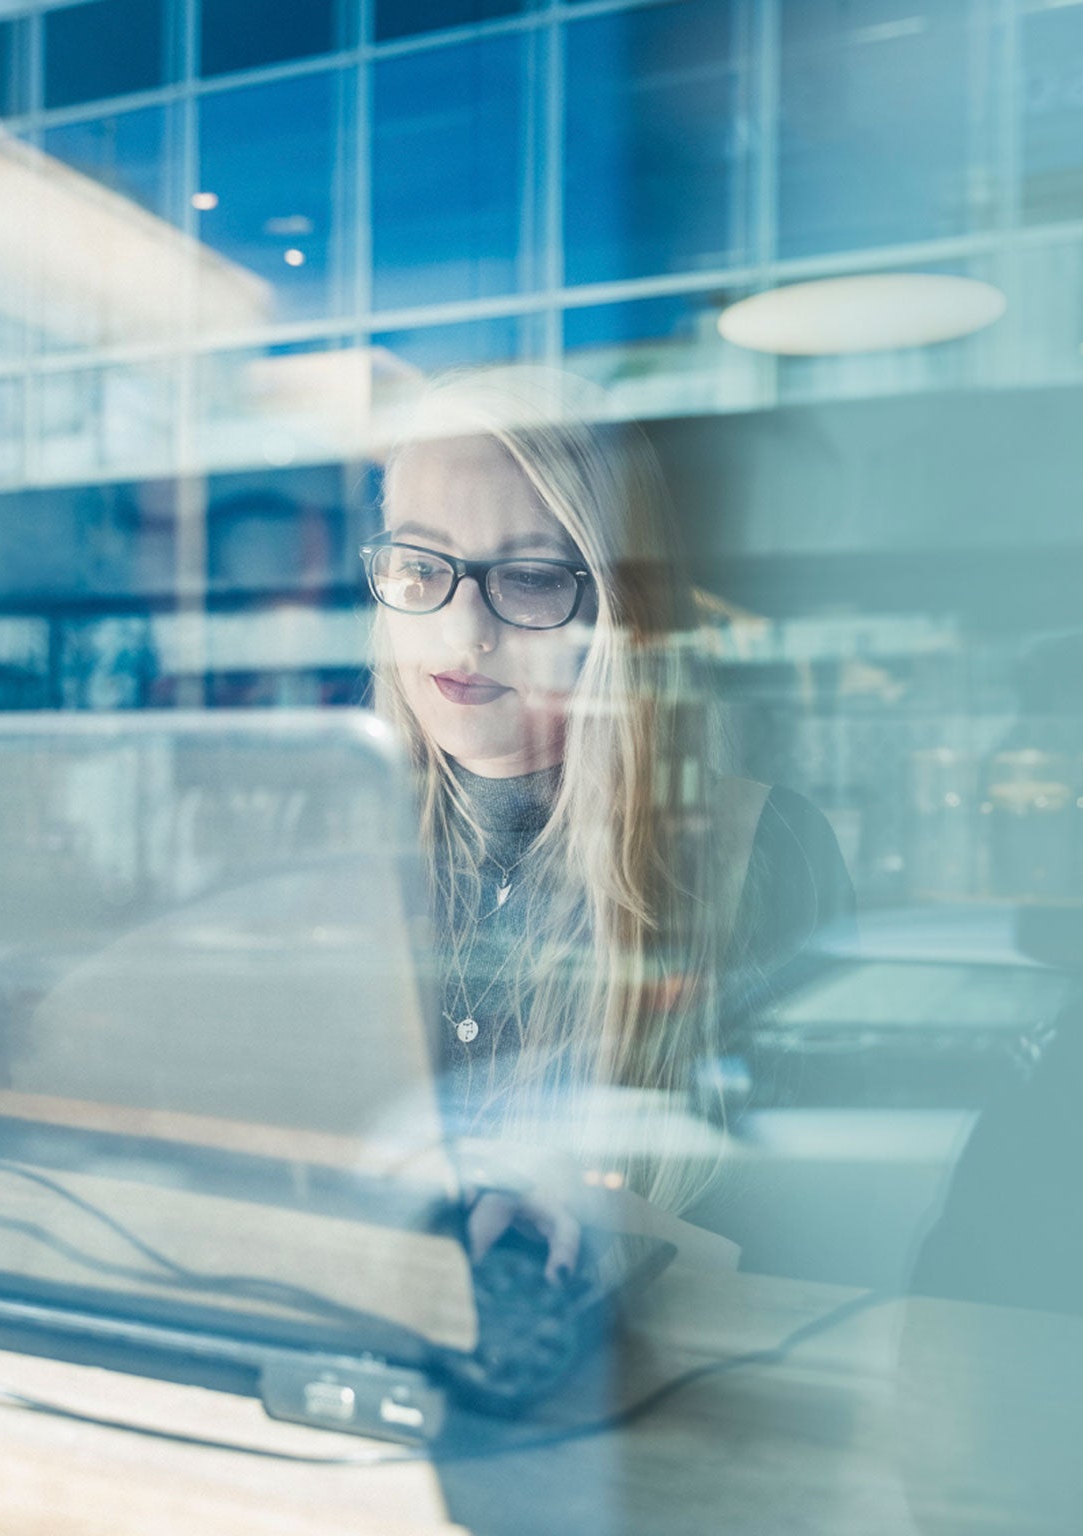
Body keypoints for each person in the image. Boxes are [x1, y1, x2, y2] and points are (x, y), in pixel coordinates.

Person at [361, 369, 852, 1241]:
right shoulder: (342, 835)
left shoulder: (755, 852)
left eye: (533, 577)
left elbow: (819, 1230)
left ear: (620, 607)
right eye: (419, 566)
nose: (464, 631)